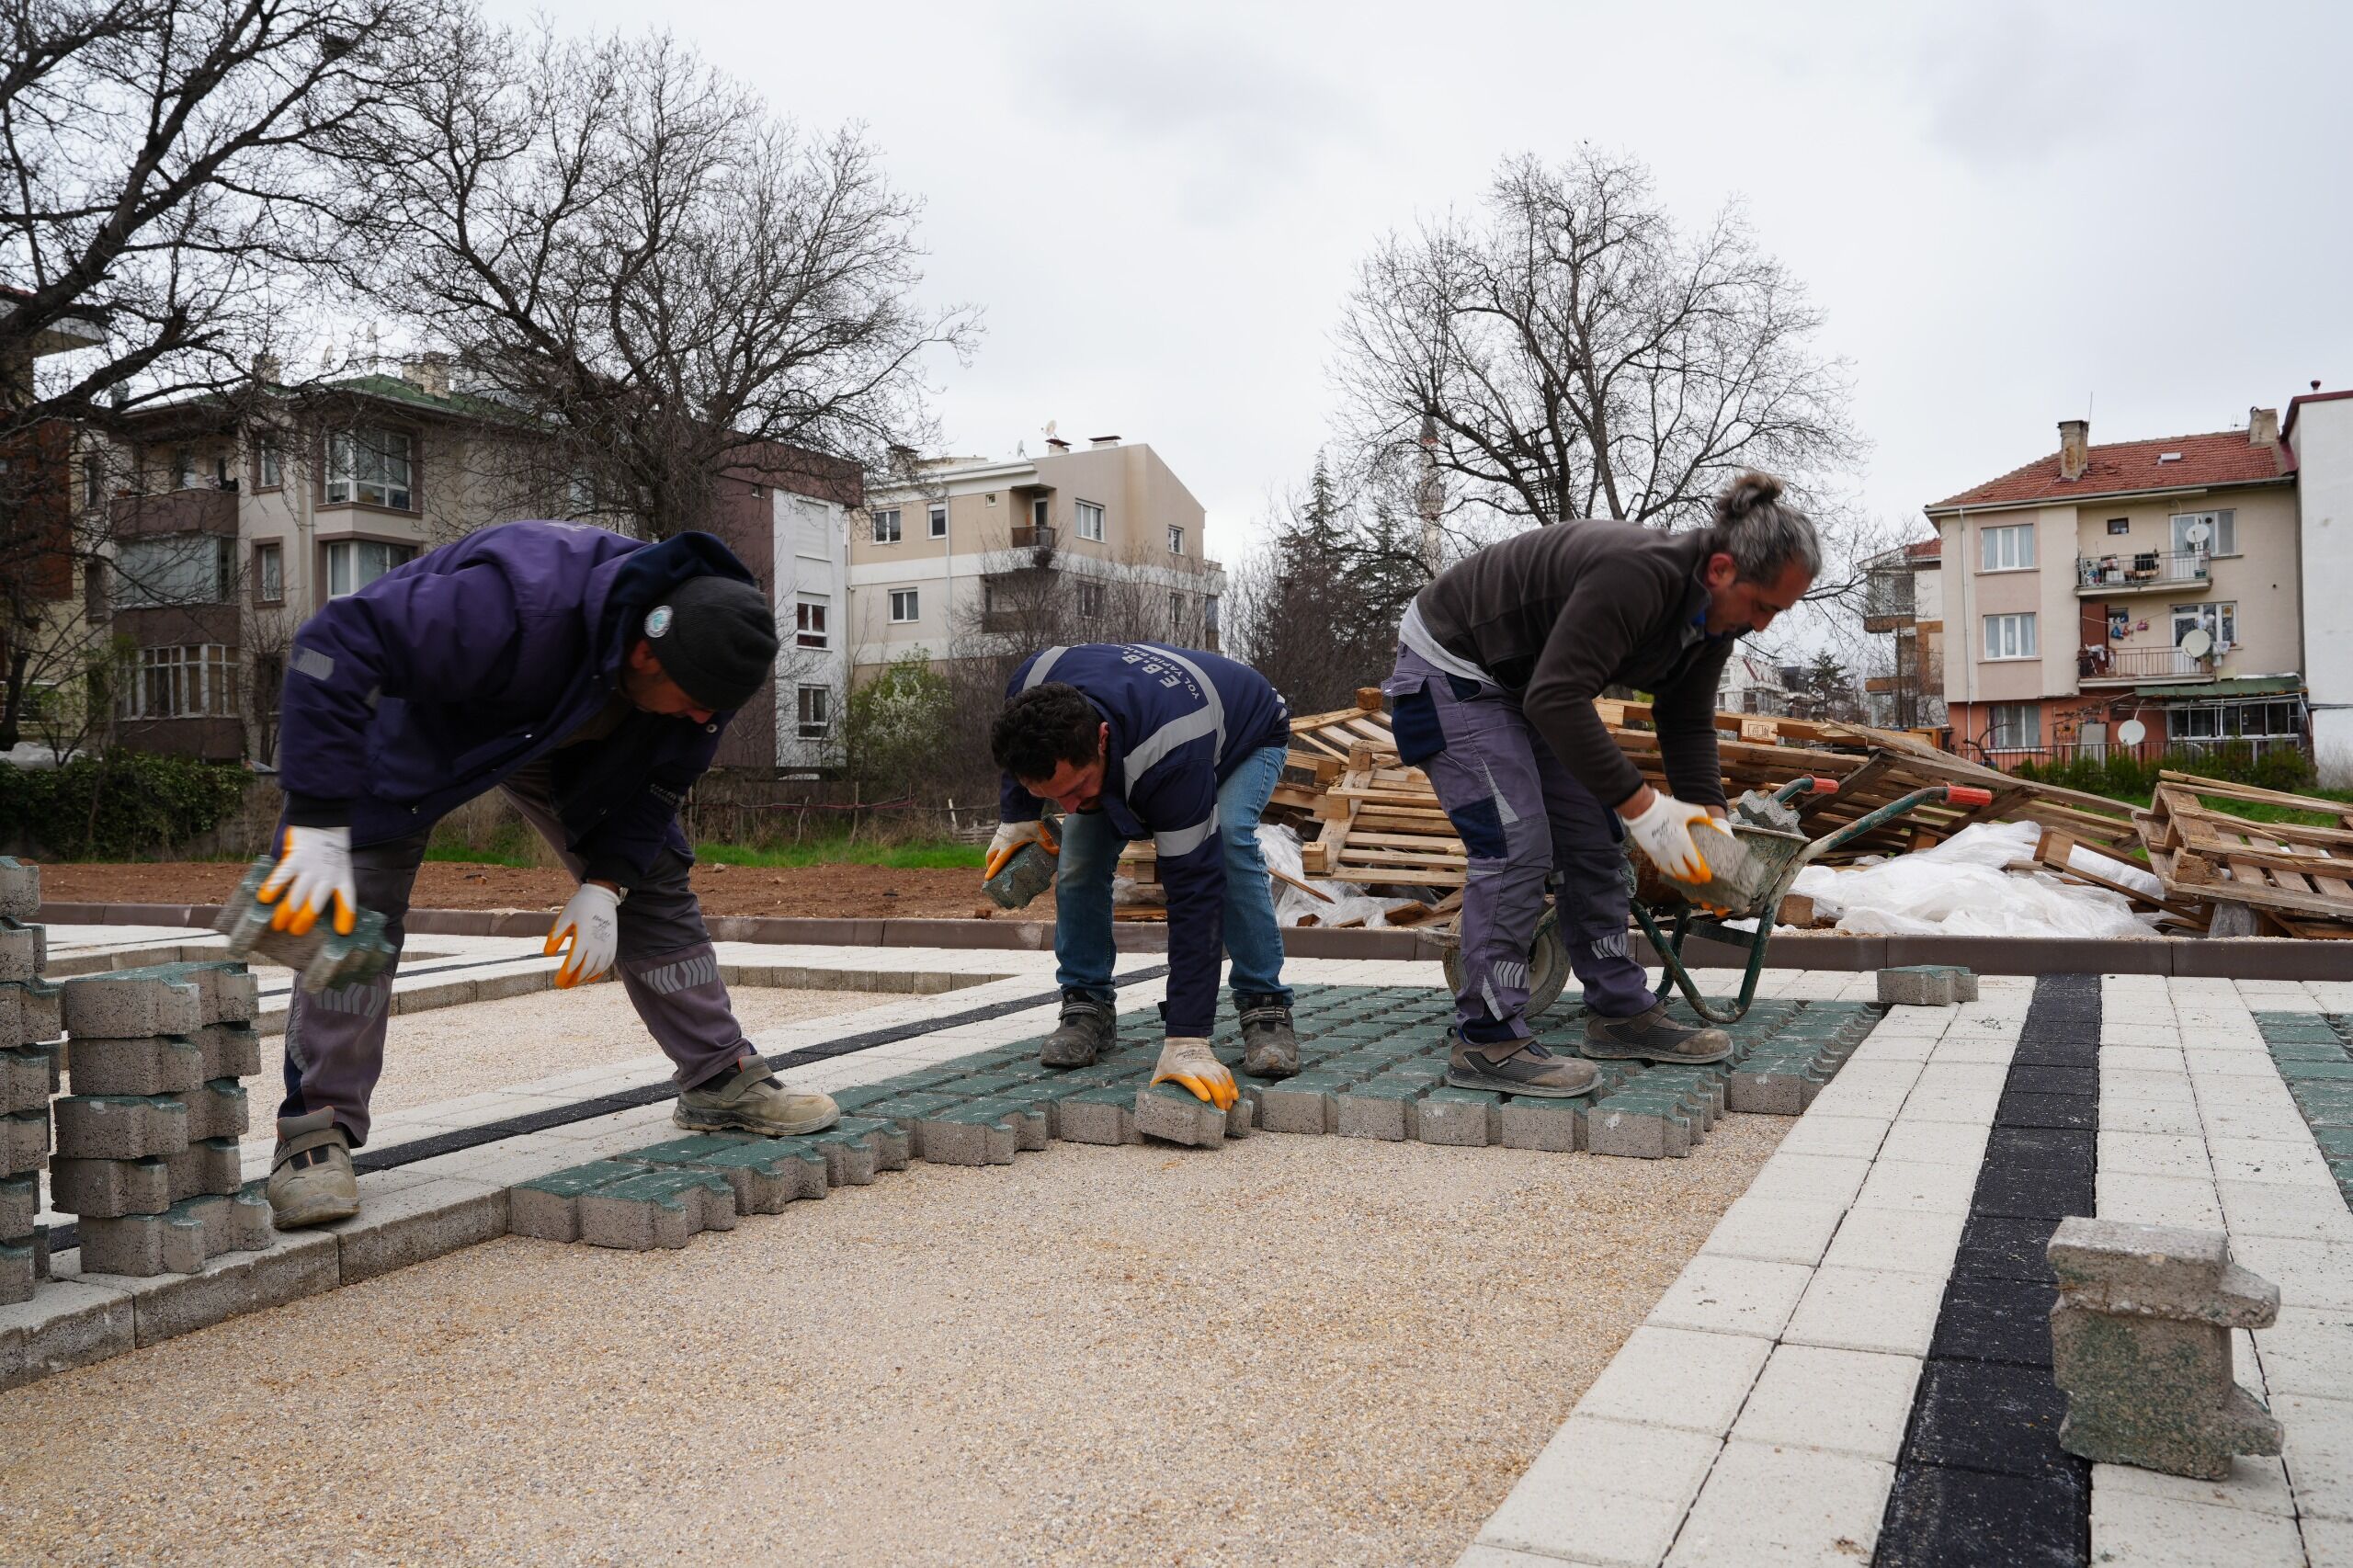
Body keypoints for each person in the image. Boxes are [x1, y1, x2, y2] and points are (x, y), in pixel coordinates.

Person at [257, 520, 839, 1227]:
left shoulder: (717, 646)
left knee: (652, 878)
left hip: (569, 720)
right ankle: (315, 1132)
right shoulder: (508, 609)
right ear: (645, 655)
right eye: (694, 703)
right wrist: (319, 818)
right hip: (412, 719)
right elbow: (330, 643)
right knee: (352, 909)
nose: (704, 720)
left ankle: (719, 1079)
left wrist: (607, 882)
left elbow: (659, 785)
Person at [1382, 472, 1820, 1097]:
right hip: (1451, 668)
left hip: (1523, 685)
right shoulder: (1638, 575)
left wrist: (1710, 829)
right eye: (1764, 606)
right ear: (1722, 569)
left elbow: (1686, 720)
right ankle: (1486, 1037)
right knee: (1516, 843)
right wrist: (1648, 810)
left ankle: (1620, 1013)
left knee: (1595, 836)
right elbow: (1558, 698)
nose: (1765, 625)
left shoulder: (1712, 623)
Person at [987, 642, 1298, 1108]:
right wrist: (1020, 817)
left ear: (1103, 739)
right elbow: (1027, 767)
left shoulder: (1173, 754)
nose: (1068, 807)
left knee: (1230, 842)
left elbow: (1194, 891)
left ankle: (1264, 1004)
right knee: (1078, 857)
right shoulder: (1033, 690)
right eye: (1055, 798)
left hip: (1247, 731)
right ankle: (1086, 1002)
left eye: (1076, 790)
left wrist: (1186, 1039)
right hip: (1155, 719)